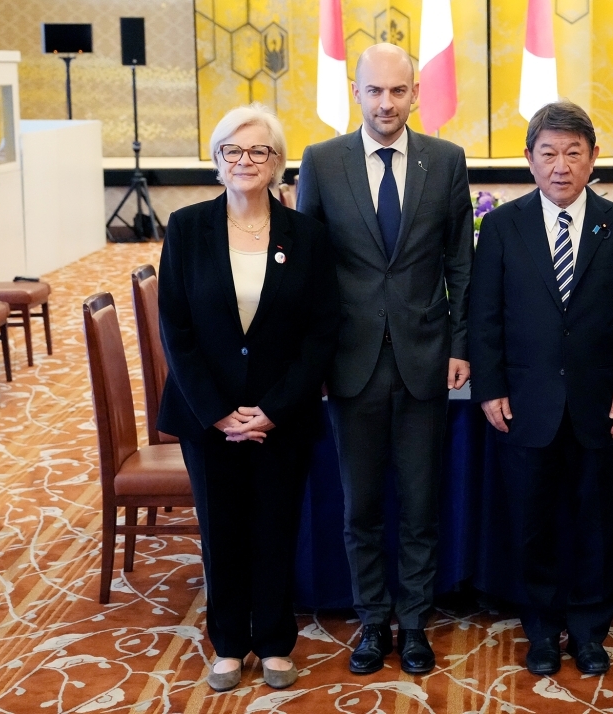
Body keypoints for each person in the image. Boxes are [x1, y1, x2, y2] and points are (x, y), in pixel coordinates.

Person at [296, 43, 474, 675]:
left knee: (421, 504)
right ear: (356, 93)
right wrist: (311, 360)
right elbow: (308, 273)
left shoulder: (446, 161)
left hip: (427, 361)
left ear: (415, 93)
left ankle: (416, 622)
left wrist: (459, 345)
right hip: (351, 364)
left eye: (398, 91)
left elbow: (460, 262)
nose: (386, 103)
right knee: (362, 505)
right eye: (375, 91)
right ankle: (373, 622)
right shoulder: (321, 162)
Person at [157, 103, 340, 692]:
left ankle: (277, 643)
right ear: (216, 161)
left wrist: (274, 408)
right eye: (232, 151)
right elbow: (176, 329)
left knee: (275, 527)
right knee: (222, 531)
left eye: (258, 151)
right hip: (206, 415)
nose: (245, 161)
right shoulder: (187, 227)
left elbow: (321, 330)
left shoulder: (306, 235)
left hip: (279, 415)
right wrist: (217, 412)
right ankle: (230, 644)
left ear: (278, 163)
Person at [469, 101, 613, 676]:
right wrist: (491, 386)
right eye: (548, 152)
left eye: (574, 152)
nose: (561, 165)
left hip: (599, 403)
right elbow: (486, 317)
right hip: (526, 404)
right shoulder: (502, 226)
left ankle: (590, 629)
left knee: (594, 520)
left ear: (594, 158)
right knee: (533, 524)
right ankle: (543, 631)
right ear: (529, 160)